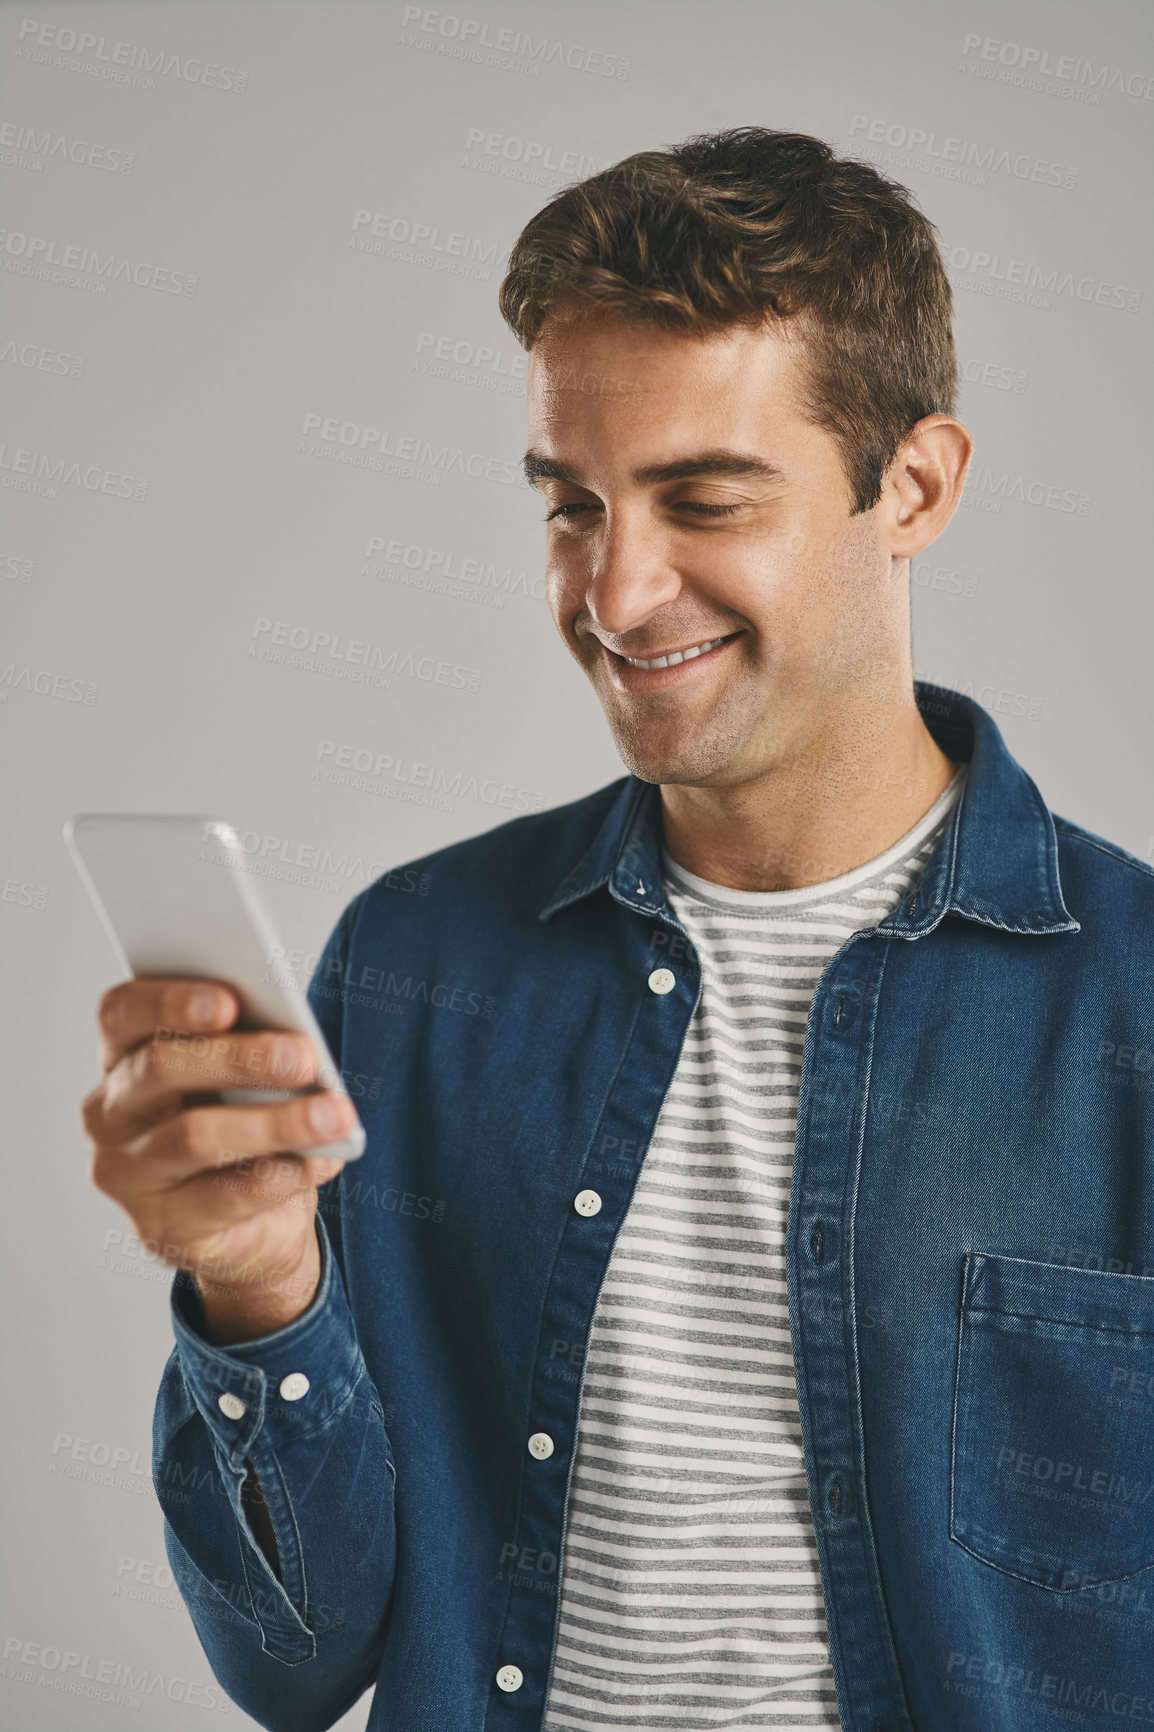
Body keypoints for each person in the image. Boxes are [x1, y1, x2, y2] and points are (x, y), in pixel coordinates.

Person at [81, 128, 1154, 1732]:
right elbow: (295, 1666)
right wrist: (254, 1286)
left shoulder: (1127, 1001)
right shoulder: (416, 965)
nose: (617, 591)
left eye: (702, 499)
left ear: (912, 486)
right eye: (570, 505)